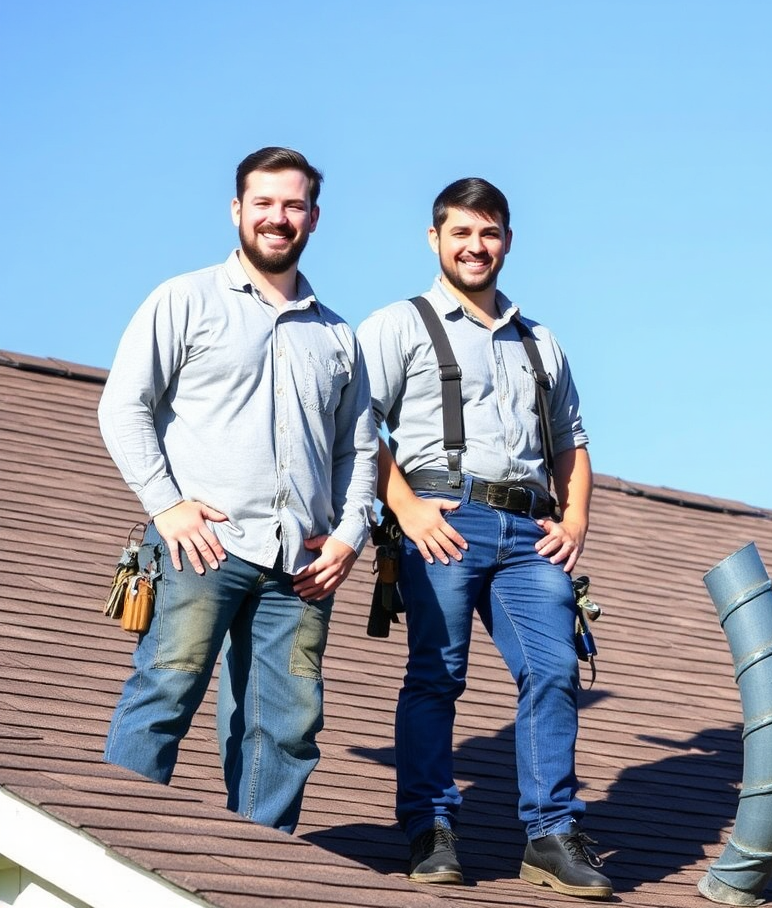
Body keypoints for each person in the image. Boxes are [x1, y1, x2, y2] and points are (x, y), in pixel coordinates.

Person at [98, 146, 377, 833]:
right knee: (165, 694)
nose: (278, 218)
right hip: (203, 550)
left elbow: (360, 450)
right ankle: (112, 854)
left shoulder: (338, 335)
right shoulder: (184, 300)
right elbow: (123, 407)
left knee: (286, 729)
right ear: (236, 210)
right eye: (263, 203)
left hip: (301, 566)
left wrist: (349, 536)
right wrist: (167, 505)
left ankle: (260, 863)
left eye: (293, 205)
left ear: (314, 217)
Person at [356, 178, 611, 898]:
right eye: (462, 232)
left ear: (508, 241)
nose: (476, 246)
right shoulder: (398, 324)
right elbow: (356, 425)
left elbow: (572, 441)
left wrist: (575, 519)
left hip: (531, 530)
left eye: (489, 232)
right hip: (444, 518)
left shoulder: (541, 341)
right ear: (434, 239)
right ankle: (430, 828)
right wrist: (406, 509)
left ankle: (551, 836)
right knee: (437, 674)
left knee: (554, 671)